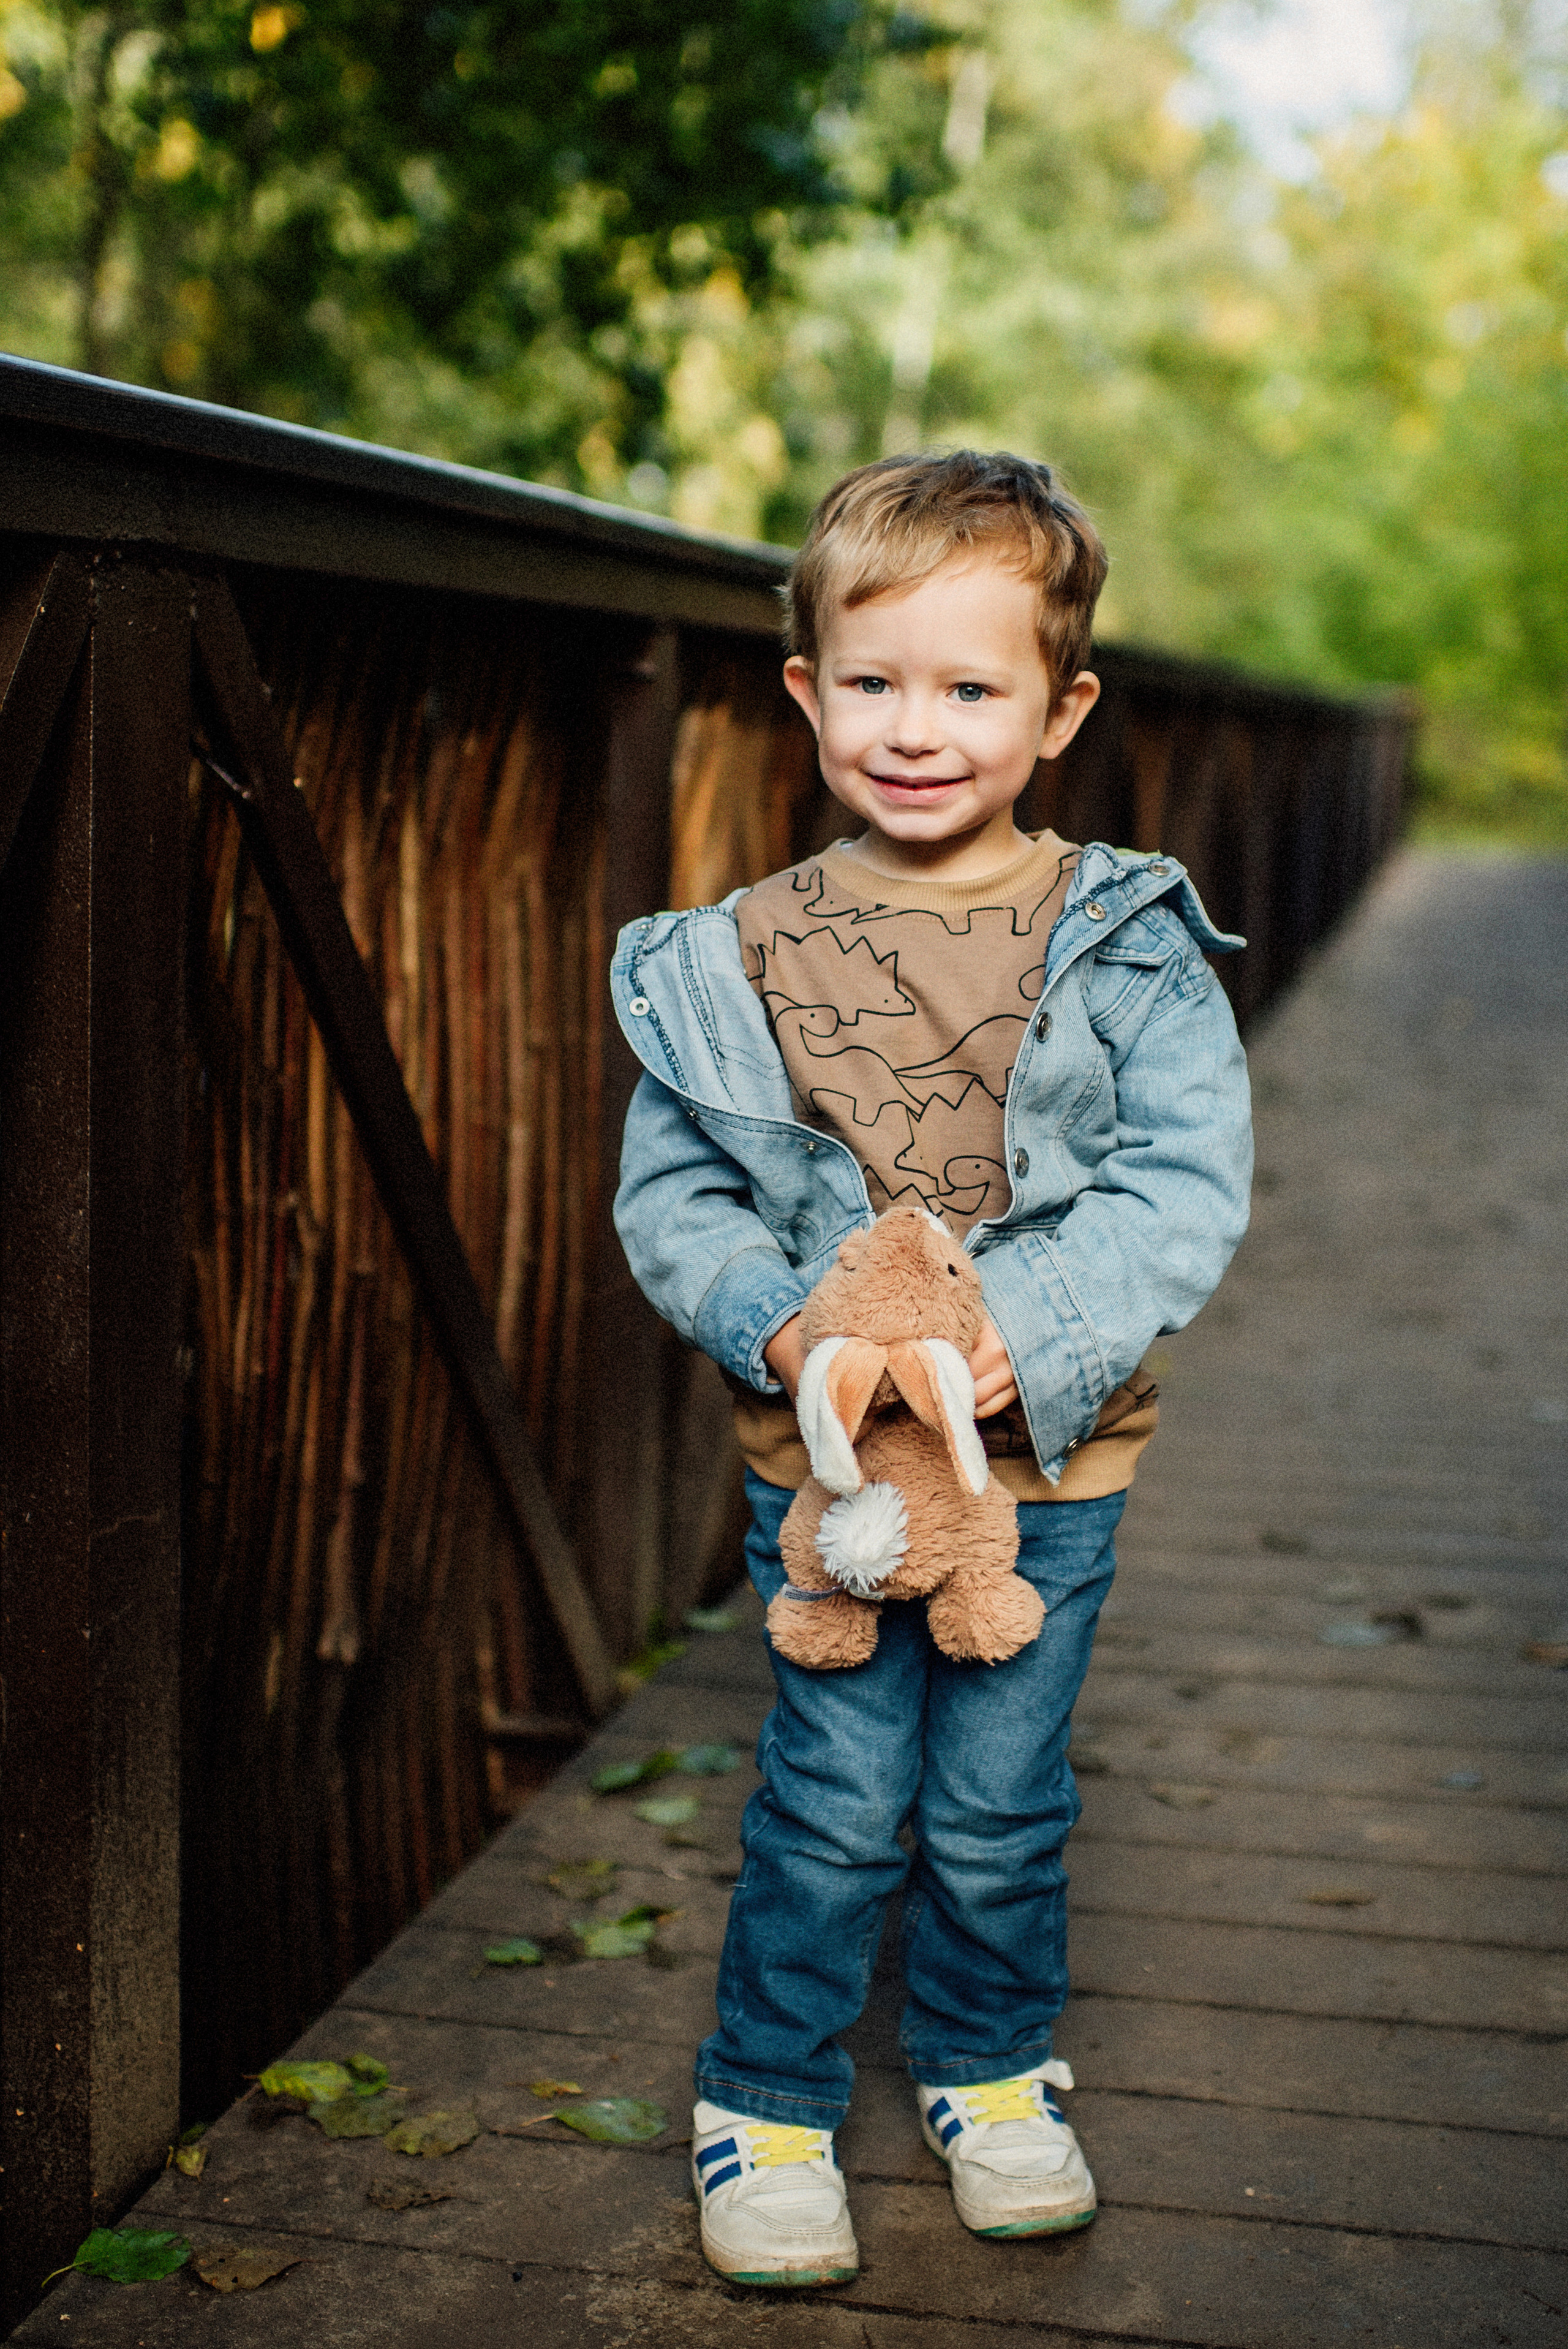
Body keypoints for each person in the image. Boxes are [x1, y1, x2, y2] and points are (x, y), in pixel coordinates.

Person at [611, 451, 1253, 2286]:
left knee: (995, 1798)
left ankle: (985, 2061)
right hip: (822, 1473)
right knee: (832, 1790)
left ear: (1060, 713)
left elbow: (1180, 1179)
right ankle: (770, 2100)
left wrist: (1022, 1337)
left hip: (1049, 1466)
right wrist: (784, 1321)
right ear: (806, 691)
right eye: (874, 681)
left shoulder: (1125, 938)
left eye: (971, 688)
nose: (918, 727)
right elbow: (678, 1196)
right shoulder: (727, 959)